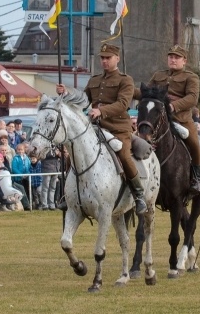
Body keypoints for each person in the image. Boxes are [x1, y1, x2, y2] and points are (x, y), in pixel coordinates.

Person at [56, 42, 146, 214]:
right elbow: (84, 99)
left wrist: (101, 110)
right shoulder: (95, 79)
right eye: (102, 58)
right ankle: (68, 195)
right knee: (73, 155)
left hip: (118, 128)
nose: (104, 61)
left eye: (108, 58)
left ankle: (138, 194)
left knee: (124, 155)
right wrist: (66, 92)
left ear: (117, 59)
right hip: (95, 128)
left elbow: (122, 104)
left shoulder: (125, 80)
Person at [134, 44, 200, 194]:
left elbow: (192, 98)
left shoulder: (191, 77)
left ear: (184, 61)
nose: (173, 60)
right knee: (135, 140)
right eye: (171, 57)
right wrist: (127, 90)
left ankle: (197, 177)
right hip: (158, 120)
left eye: (177, 57)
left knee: (194, 143)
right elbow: (145, 92)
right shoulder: (159, 75)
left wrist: (173, 106)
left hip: (181, 119)